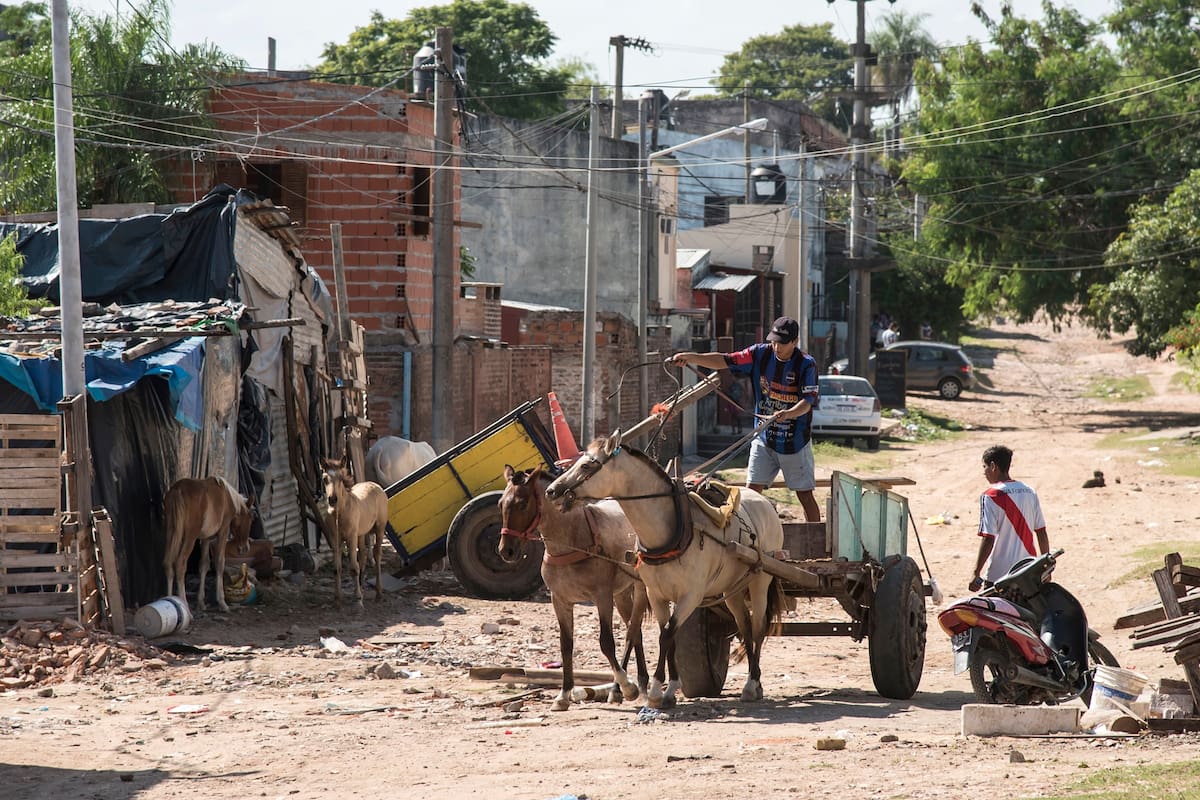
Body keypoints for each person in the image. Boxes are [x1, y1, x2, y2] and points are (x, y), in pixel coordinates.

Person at [668, 316, 822, 522]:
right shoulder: (759, 353)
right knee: (751, 495)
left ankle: (815, 539)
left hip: (794, 443)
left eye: (782, 343)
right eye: (773, 341)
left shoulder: (806, 365)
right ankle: (754, 542)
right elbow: (725, 359)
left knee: (804, 495)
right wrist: (691, 357)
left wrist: (788, 413)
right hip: (764, 439)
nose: (776, 346)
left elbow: (808, 401)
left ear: (795, 342)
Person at [969, 445, 1050, 592]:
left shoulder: (991, 495)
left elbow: (988, 538)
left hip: (1000, 575)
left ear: (993, 466)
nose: (984, 472)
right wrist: (1045, 566)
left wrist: (976, 572)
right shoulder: (1029, 491)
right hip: (1028, 571)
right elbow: (1041, 532)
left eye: (984, 467)